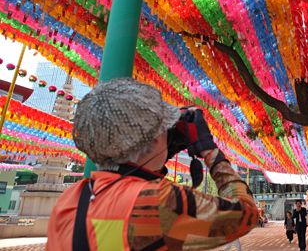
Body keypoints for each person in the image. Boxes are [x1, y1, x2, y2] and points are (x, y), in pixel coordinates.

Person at [46, 78, 258, 251]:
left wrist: (160, 155)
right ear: (156, 140)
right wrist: (210, 151)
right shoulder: (158, 200)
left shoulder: (72, 198)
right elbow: (246, 214)